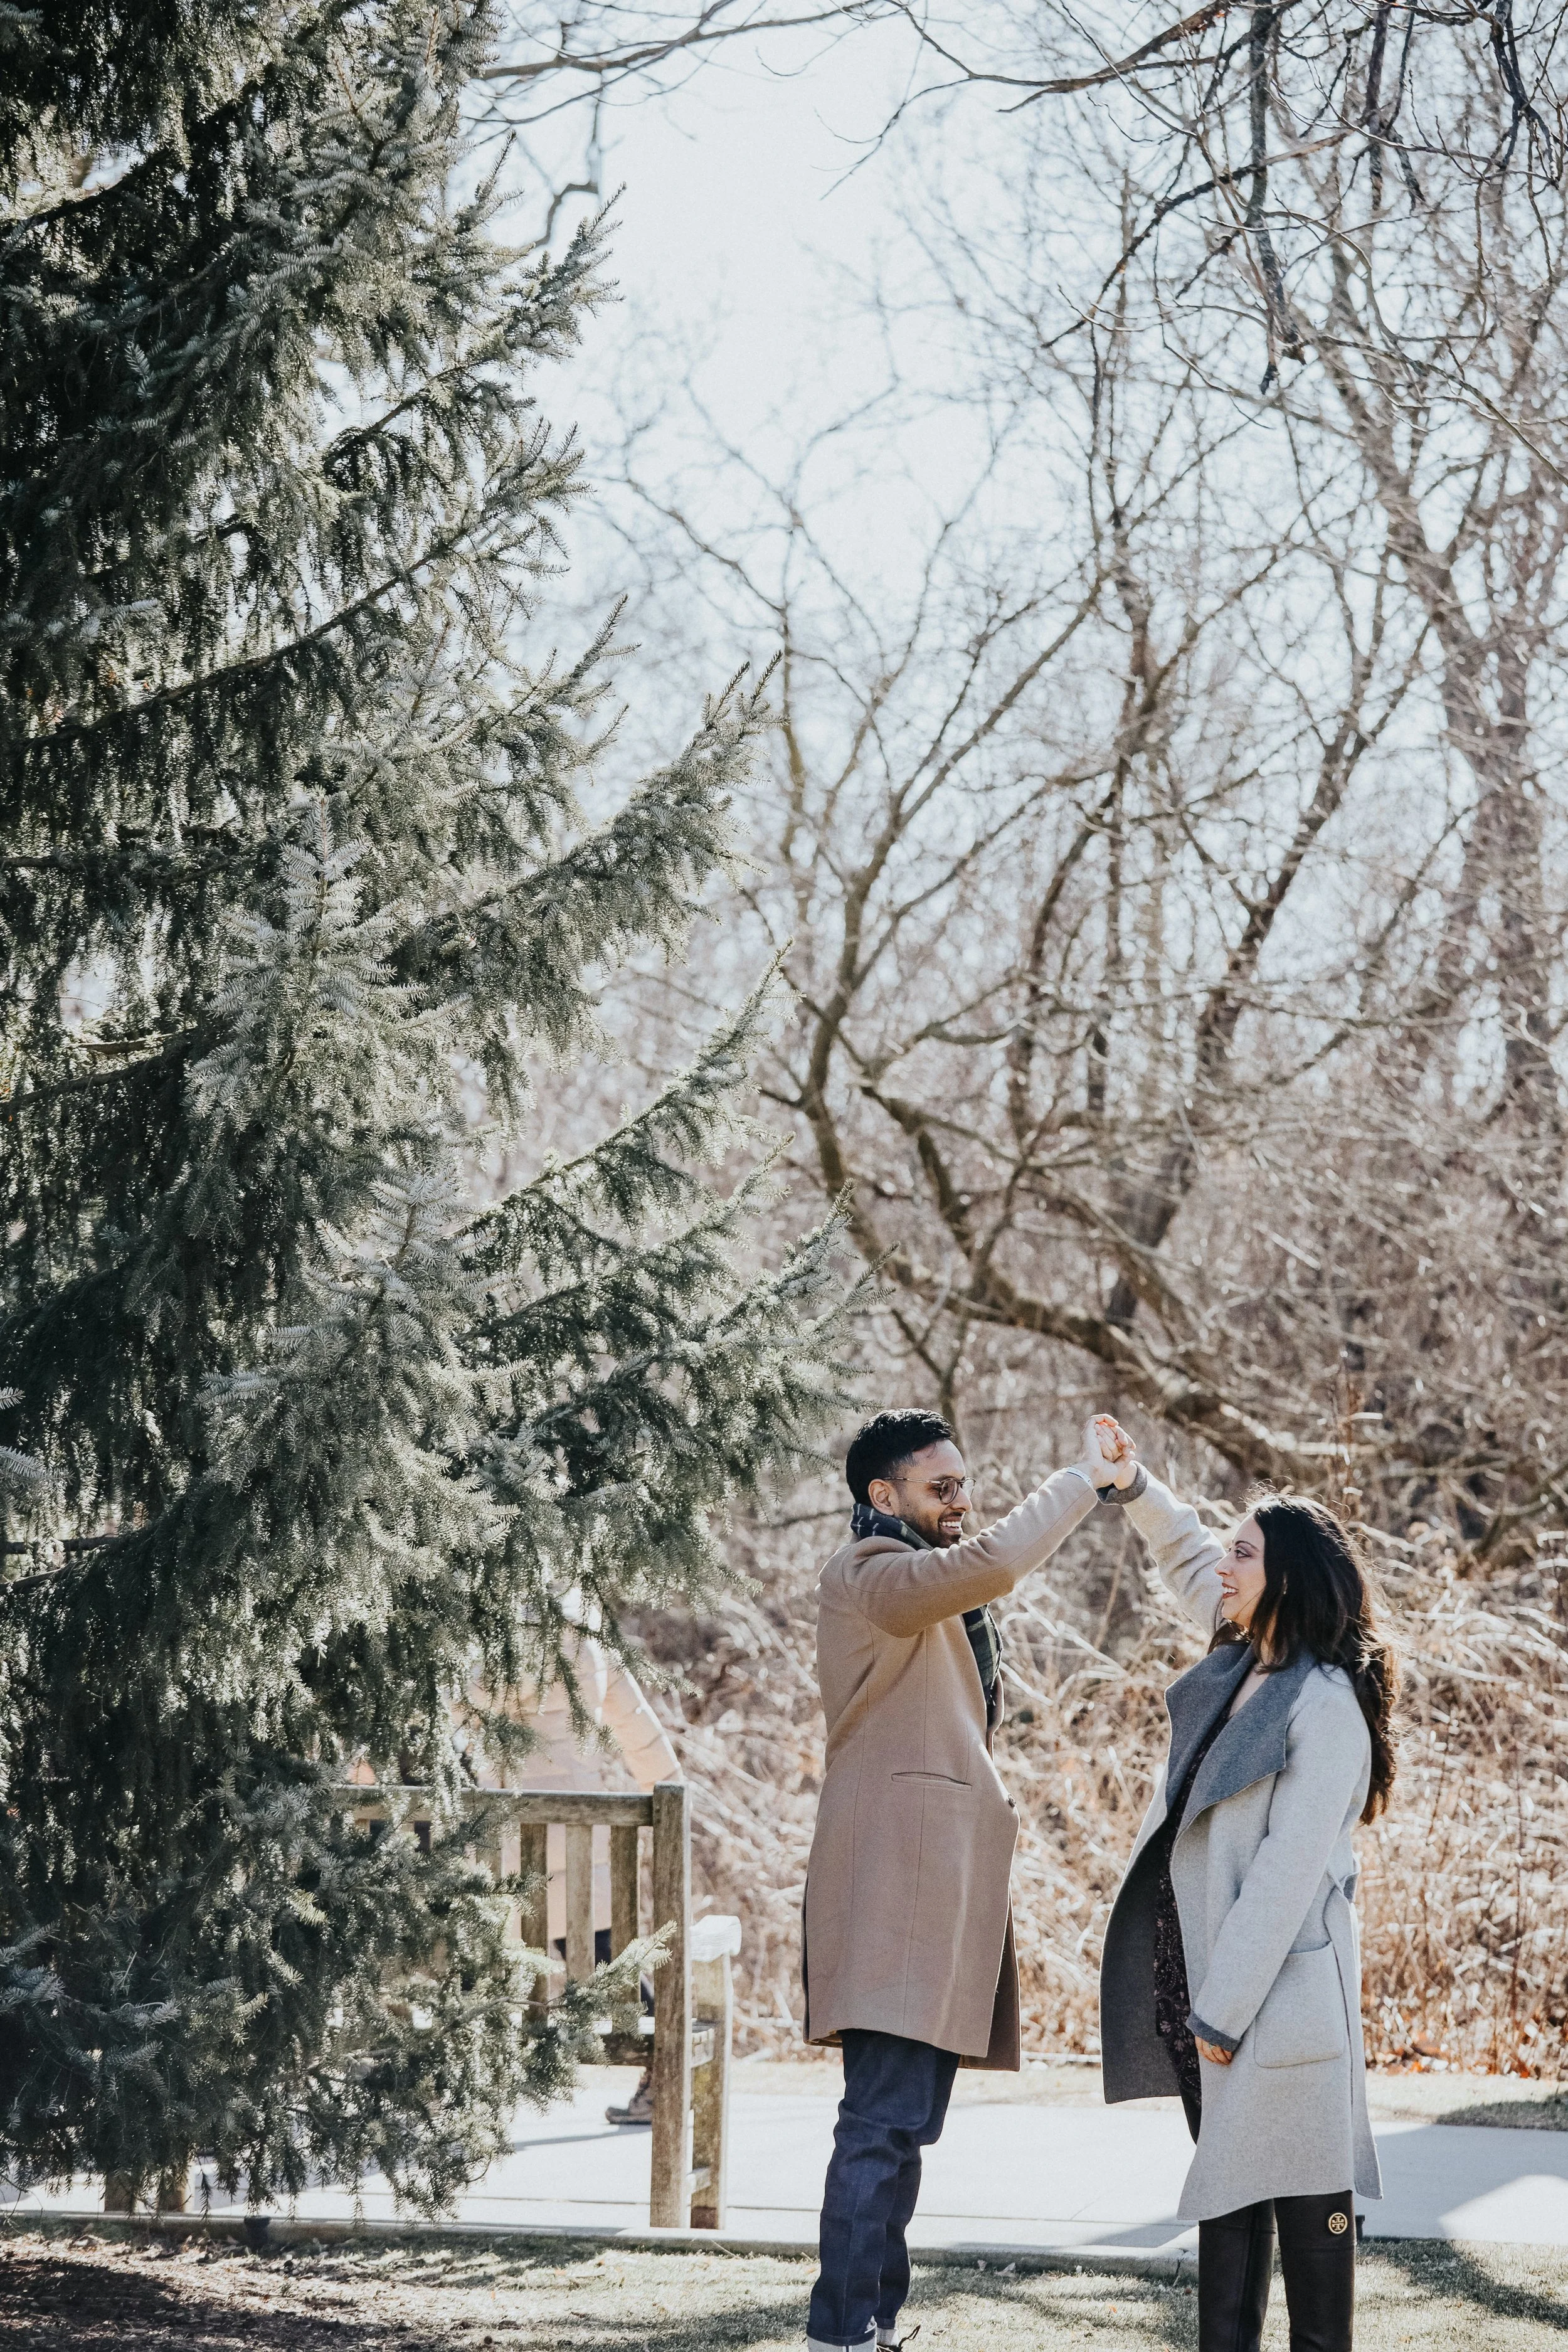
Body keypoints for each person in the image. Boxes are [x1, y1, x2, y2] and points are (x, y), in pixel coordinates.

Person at [802, 1408, 1130, 2352]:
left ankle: (870, 2321)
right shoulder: (870, 1574)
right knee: (880, 2120)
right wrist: (1082, 1481)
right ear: (882, 1495)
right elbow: (987, 1565)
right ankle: (841, 2331)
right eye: (939, 1487)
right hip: (893, 1885)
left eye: (962, 1484)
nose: (960, 1501)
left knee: (904, 2124)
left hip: (932, 1886)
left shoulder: (912, 1583)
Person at [1093, 1418, 1399, 2352]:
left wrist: (1219, 2014)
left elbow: (1283, 1875)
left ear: (1289, 1575)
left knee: (1311, 2243)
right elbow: (1188, 1555)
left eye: (1243, 1553)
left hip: (1277, 2007)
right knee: (1230, 2213)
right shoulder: (1243, 1662)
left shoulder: (1325, 1705)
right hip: (1213, 1991)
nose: (1223, 1566)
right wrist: (1135, 1483)